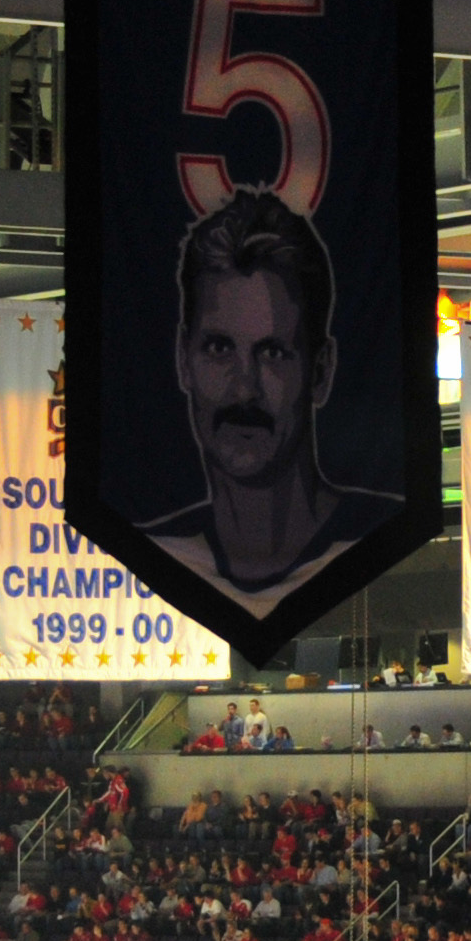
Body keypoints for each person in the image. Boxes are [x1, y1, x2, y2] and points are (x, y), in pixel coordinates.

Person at [140, 186, 393, 618]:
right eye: (220, 348)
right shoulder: (162, 548)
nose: (244, 388)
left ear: (320, 370)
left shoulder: (375, 536)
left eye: (273, 354)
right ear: (184, 359)